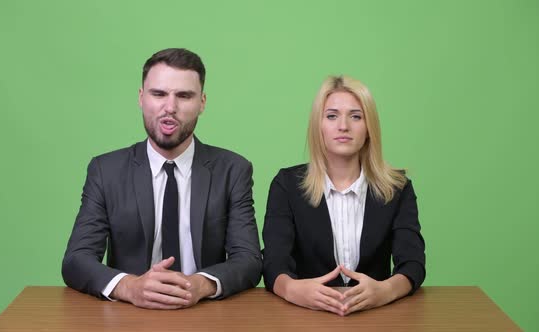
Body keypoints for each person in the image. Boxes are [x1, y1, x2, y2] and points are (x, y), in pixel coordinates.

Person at [62, 48, 262, 309]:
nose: (170, 107)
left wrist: (200, 284)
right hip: (128, 316)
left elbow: (248, 259)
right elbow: (77, 259)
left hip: (204, 313)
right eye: (159, 94)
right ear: (141, 98)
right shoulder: (105, 170)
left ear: (202, 102)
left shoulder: (233, 170)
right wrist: (130, 287)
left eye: (184, 96)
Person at [262, 75, 425, 316]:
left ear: (369, 128)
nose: (343, 126)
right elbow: (274, 261)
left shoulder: (397, 188)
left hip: (375, 316)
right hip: (304, 316)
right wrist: (292, 290)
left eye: (356, 116)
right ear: (319, 126)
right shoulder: (286, 185)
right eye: (331, 116)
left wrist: (386, 290)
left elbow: (413, 263)